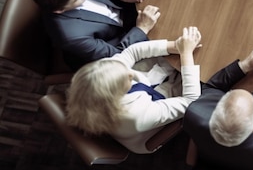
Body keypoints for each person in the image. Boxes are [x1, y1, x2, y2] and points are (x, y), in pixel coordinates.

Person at [66, 27, 202, 154]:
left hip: (138, 99)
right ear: (117, 93)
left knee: (163, 59)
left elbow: (132, 52)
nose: (131, 74)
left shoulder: (99, 77)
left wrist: (175, 46)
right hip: (146, 122)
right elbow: (191, 100)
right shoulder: (136, 116)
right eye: (128, 78)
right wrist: (186, 53)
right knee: (203, 82)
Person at [28, 0, 160, 70]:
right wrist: (141, 29)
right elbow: (115, 55)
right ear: (60, 10)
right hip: (117, 43)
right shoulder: (70, 37)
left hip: (124, 9)